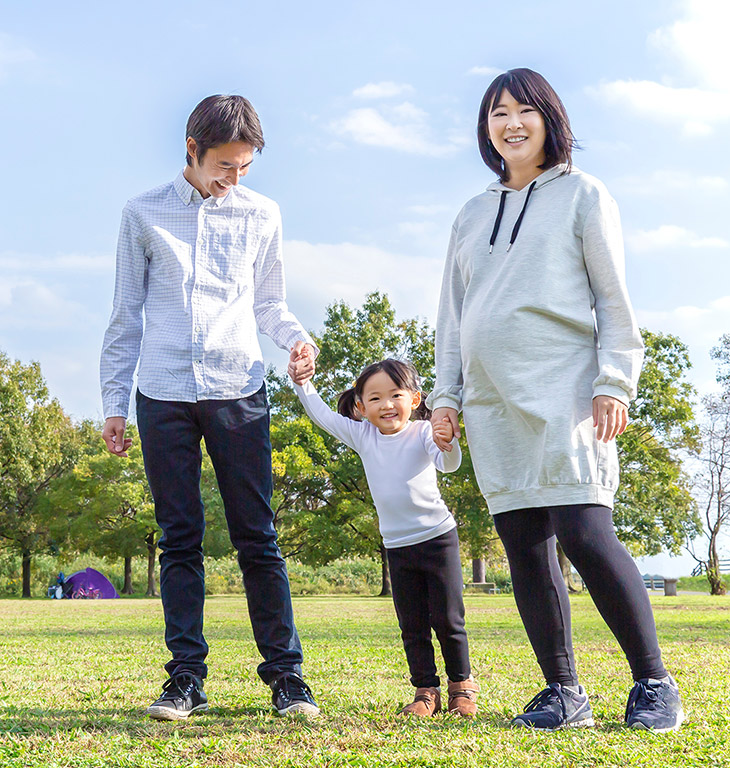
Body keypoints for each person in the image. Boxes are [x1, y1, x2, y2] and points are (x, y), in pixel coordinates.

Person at [428, 68, 684, 732]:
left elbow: (612, 300)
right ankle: (563, 693)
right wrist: (445, 396)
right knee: (523, 543)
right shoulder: (471, 211)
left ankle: (653, 682)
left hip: (567, 388)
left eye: (522, 110)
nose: (509, 123)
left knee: (585, 531)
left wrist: (613, 381)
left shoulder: (583, 195)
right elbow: (452, 316)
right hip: (490, 403)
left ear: (549, 117)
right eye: (496, 113)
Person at [100, 94, 320, 720]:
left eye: (245, 167)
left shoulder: (262, 214)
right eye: (225, 165)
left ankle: (287, 677)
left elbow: (271, 304)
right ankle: (185, 680)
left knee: (259, 538)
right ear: (192, 150)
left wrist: (297, 341)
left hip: (238, 390)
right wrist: (115, 401)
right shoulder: (142, 213)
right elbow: (125, 314)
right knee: (179, 540)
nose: (234, 179)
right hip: (162, 392)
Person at [288, 356, 480, 717]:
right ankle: (426, 691)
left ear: (415, 399)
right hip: (397, 546)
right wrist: (303, 385)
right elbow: (324, 417)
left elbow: (448, 465)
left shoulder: (423, 432)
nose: (386, 405)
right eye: (374, 398)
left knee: (448, 619)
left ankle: (461, 687)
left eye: (395, 395)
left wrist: (447, 443)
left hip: (438, 538)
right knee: (412, 625)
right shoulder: (363, 436)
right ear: (360, 407)